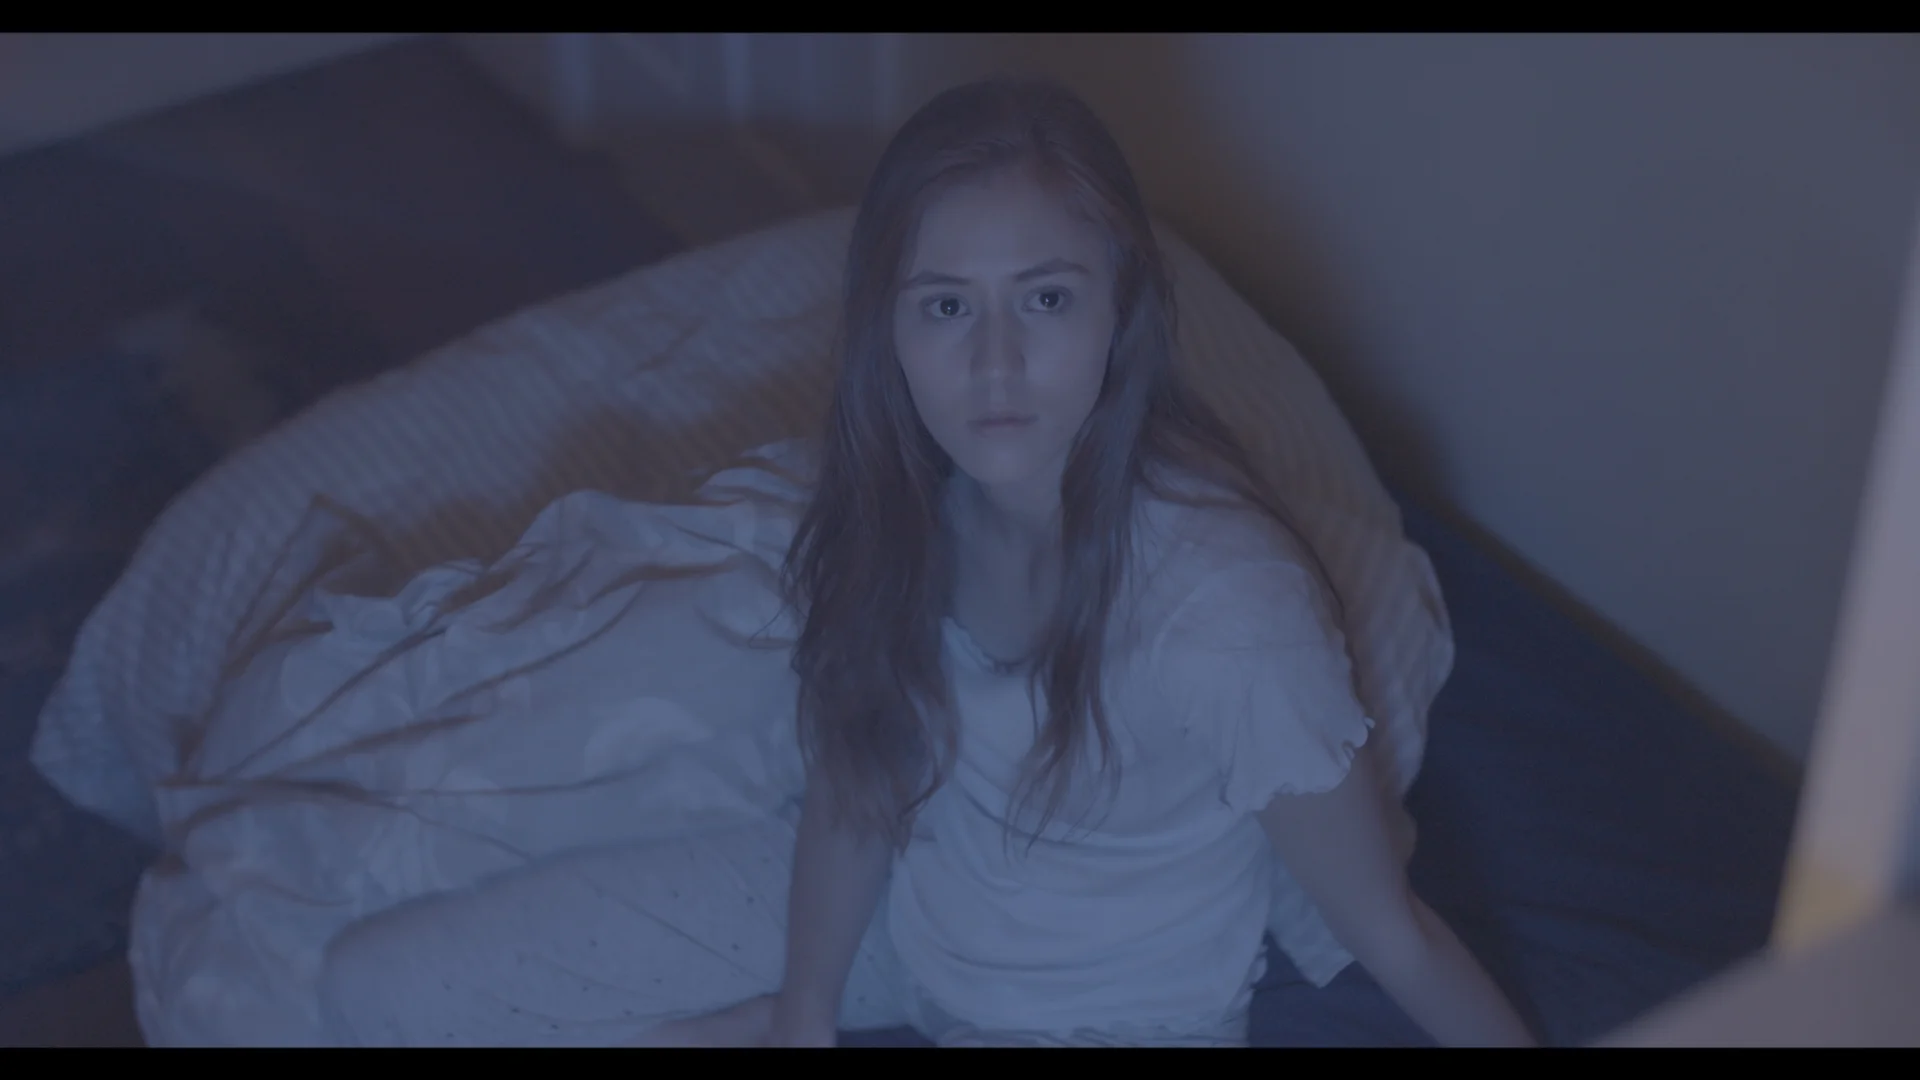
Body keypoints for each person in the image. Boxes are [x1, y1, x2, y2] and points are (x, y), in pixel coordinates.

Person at [315, 77, 1536, 1048]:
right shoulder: (902, 502)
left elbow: (1392, 932)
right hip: (914, 928)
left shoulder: (1225, 610)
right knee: (381, 989)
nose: (994, 363)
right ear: (888, 327)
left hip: (1108, 1021)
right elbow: (859, 783)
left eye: (1045, 300)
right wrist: (801, 1009)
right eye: (947, 306)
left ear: (1122, 310)